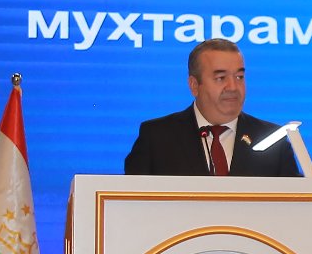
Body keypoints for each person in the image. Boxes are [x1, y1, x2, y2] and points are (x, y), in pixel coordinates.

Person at [123, 39, 302, 177]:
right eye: (221, 78)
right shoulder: (156, 138)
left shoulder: (273, 141)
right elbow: (130, 203)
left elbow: (296, 205)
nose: (233, 87)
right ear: (194, 85)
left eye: (239, 77)